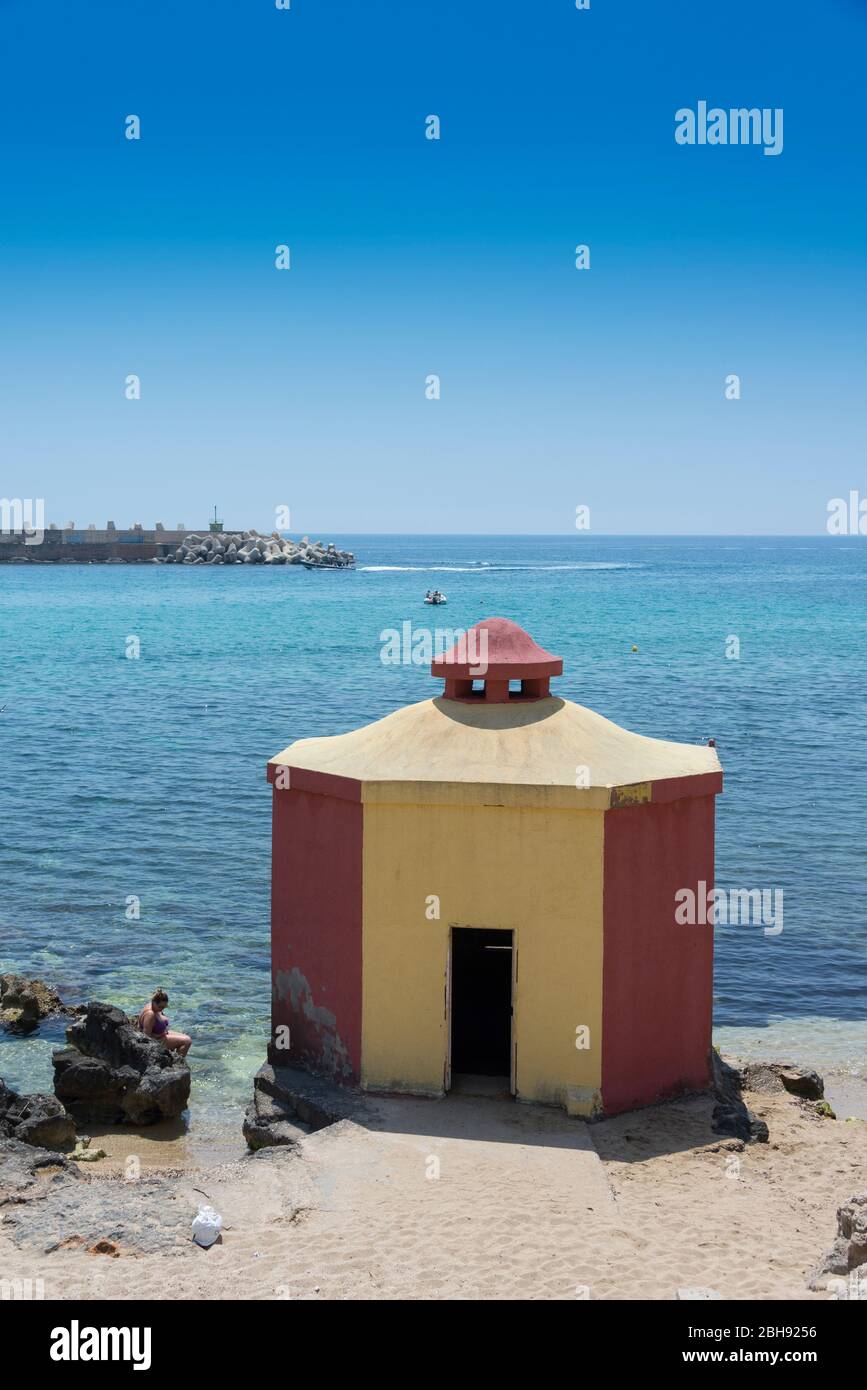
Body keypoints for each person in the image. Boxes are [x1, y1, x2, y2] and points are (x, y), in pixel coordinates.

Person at [138, 989, 191, 1057]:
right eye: (160, 1007)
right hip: (158, 1040)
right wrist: (159, 1035)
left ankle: (176, 1057)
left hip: (162, 1034)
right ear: (154, 1002)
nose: (162, 1009)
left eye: (164, 1007)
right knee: (187, 1041)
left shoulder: (154, 1007)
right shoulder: (150, 1014)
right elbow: (146, 1036)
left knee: (187, 1037)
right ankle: (177, 1062)